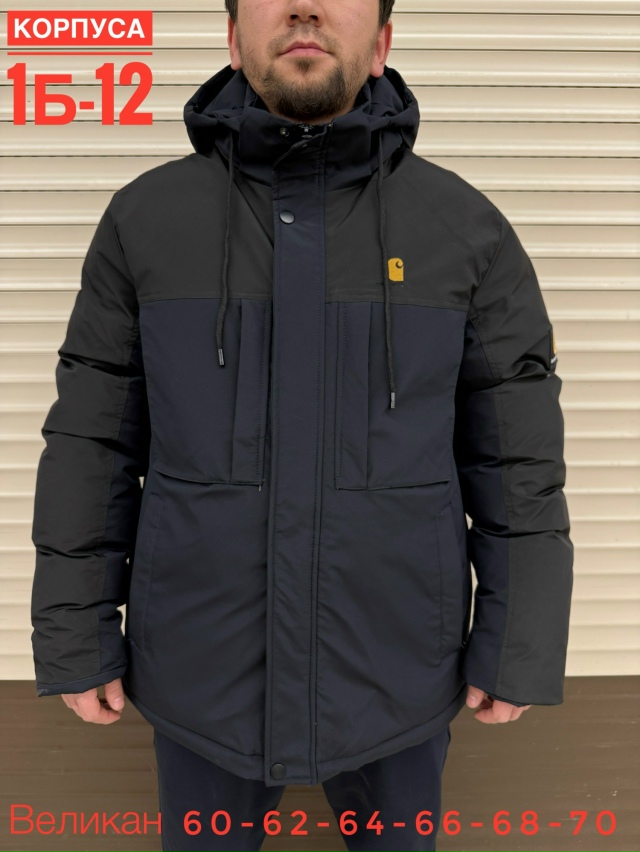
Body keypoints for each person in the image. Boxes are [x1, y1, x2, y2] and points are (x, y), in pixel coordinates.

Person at [29, 0, 574, 849]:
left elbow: (516, 459)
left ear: (382, 42)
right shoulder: (146, 221)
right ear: (233, 36)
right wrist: (75, 631)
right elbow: (92, 444)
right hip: (202, 674)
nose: (306, 8)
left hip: (397, 671)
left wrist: (519, 643)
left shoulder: (466, 232)